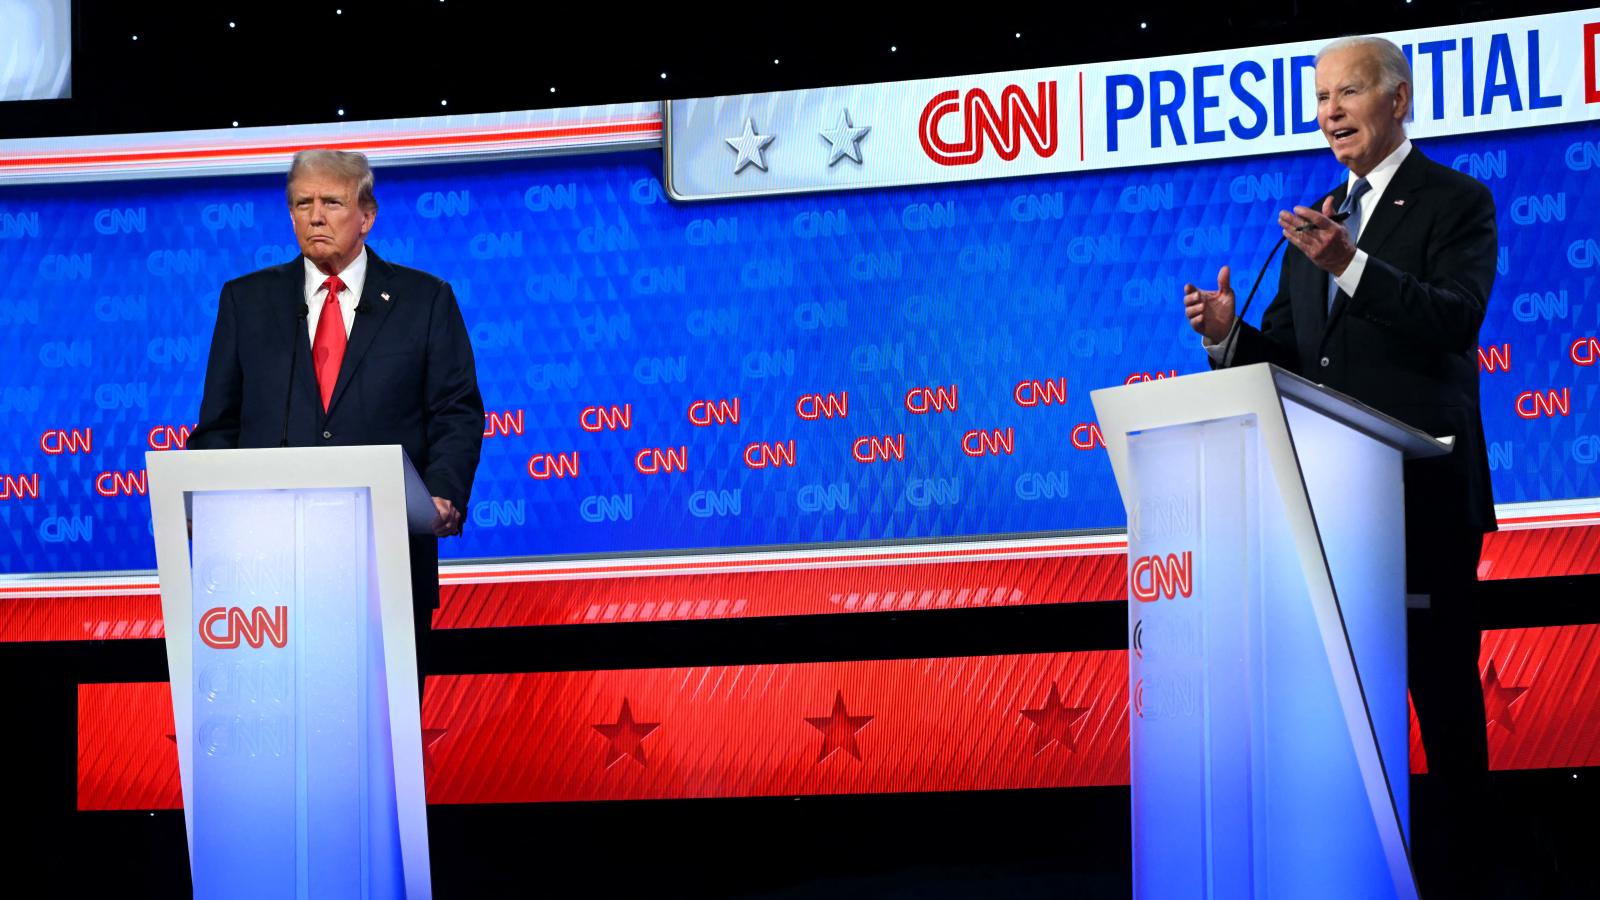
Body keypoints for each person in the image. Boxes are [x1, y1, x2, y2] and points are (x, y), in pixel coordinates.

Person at [1183, 35, 1496, 896]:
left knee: (1441, 696)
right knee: (1341, 705)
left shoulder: (1455, 202)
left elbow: (1453, 318)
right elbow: (1293, 359)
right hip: (1329, 506)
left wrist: (1348, 263)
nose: (1329, 113)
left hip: (1423, 499)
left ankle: (1468, 872)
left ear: (1397, 100)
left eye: (1347, 93)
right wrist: (1228, 336)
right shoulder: (1316, 221)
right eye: (1322, 98)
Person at [189, 149, 484, 698]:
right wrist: (206, 511)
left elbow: (456, 411)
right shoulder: (247, 301)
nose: (316, 216)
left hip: (386, 560)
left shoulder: (424, 300)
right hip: (266, 568)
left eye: (331, 202)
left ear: (366, 216)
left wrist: (442, 493)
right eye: (302, 204)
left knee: (383, 728)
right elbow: (218, 426)